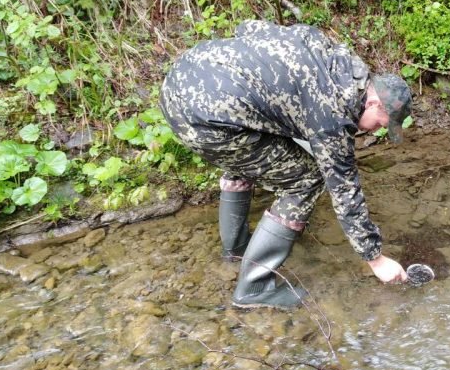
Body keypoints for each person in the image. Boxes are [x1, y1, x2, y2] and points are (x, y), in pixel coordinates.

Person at [159, 20, 412, 309]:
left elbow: (247, 28)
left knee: (250, 151)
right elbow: (345, 192)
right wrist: (375, 259)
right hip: (203, 120)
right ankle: (253, 288)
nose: (375, 131)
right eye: (380, 124)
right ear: (373, 104)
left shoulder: (328, 52)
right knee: (307, 178)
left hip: (183, 77)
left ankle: (237, 251)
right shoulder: (333, 114)